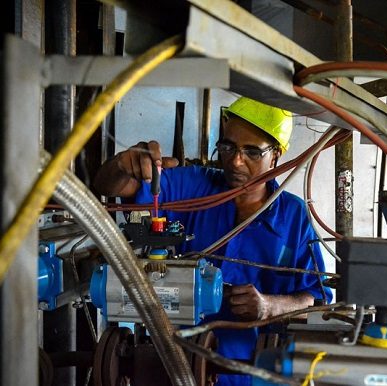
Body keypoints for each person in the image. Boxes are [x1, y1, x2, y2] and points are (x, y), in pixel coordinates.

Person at [94, 96, 332, 386]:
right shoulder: (195, 186)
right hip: (177, 364)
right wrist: (123, 165)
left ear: (277, 155)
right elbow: (112, 186)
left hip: (253, 374)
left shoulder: (293, 216)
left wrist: (270, 306)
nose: (235, 161)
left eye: (252, 152)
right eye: (227, 147)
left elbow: (316, 298)